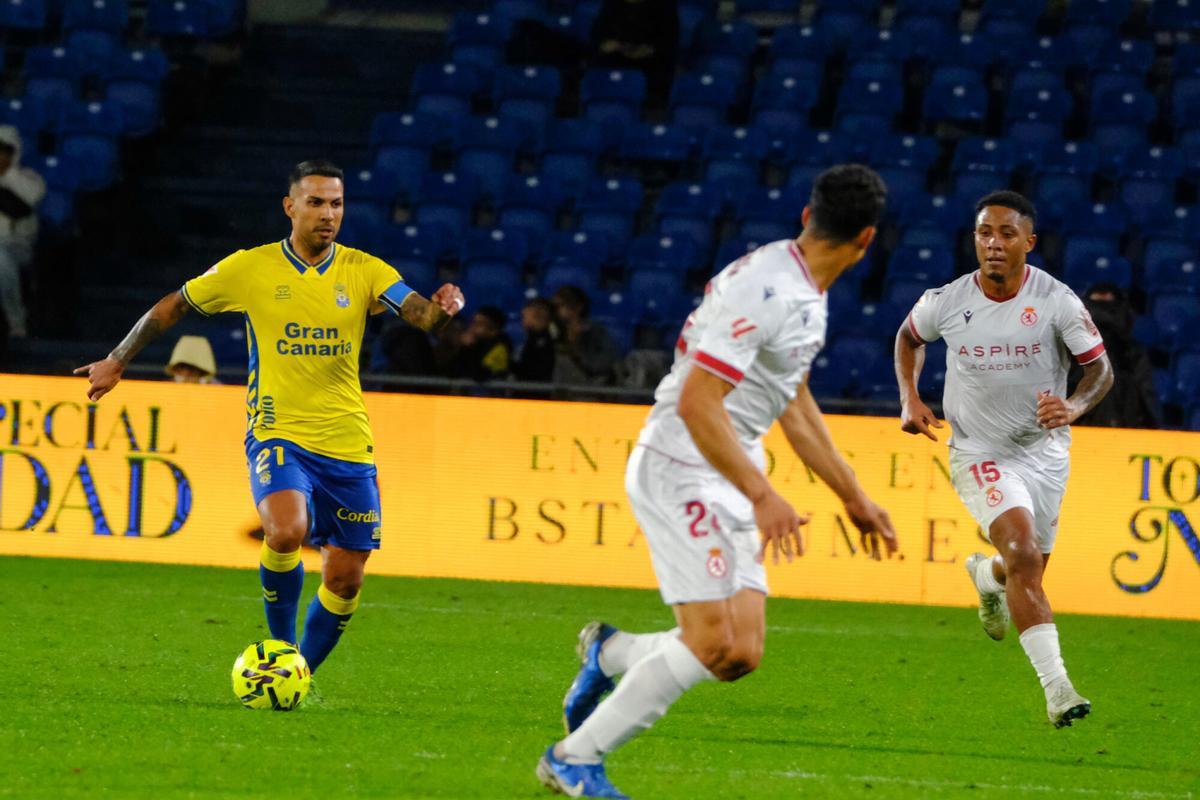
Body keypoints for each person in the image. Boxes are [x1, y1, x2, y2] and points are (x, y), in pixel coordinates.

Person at [537, 165, 899, 798]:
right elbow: (697, 401)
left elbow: (792, 401)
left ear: (807, 216)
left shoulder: (803, 290)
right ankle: (573, 758)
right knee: (710, 641)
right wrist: (763, 495)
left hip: (731, 467)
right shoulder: (769, 289)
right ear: (867, 239)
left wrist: (854, 496)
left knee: (738, 654)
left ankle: (610, 652)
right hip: (680, 464)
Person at [76, 160, 465, 679]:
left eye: (336, 204)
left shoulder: (366, 270)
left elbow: (419, 314)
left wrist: (443, 309)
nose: (328, 214)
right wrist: (118, 358)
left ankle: (295, 673)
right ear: (290, 206)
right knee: (286, 531)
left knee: (346, 577)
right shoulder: (249, 268)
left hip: (347, 440)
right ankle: (280, 648)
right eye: (316, 202)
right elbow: (174, 305)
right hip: (277, 430)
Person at [894, 190, 1113, 728]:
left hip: (1044, 453)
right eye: (984, 233)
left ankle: (986, 577)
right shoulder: (946, 301)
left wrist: (1074, 406)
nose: (993, 243)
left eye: (1006, 234)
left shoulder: (1057, 301)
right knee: (1022, 552)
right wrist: (910, 397)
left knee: (1024, 567)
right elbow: (908, 337)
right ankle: (1058, 690)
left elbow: (1100, 370)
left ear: (1028, 242)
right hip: (978, 450)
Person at [1070, 282, 1161, 428]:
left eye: (1108, 305)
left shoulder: (1132, 352)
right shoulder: (1070, 349)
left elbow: (1146, 396)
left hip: (1120, 427)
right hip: (1083, 427)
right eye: (1097, 305)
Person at [0, 126, 46, 339]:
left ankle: (16, 319)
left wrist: (7, 173)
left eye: (4, 150)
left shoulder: (29, 178)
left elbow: (25, 203)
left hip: (17, 245)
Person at [551, 285, 619, 385]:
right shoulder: (552, 331)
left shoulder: (594, 331)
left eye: (560, 306)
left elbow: (606, 361)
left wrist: (578, 347)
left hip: (590, 382)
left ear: (578, 307)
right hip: (559, 383)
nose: (555, 311)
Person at [446, 305, 512, 381]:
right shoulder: (476, 345)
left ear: (493, 331)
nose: (473, 327)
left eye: (479, 324)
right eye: (473, 323)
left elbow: (480, 376)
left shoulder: (499, 349)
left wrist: (468, 348)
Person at [513, 297, 556, 382]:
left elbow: (532, 371)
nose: (522, 321)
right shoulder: (533, 338)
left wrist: (509, 364)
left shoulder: (544, 341)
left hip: (535, 388)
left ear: (535, 315)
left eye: (524, 316)